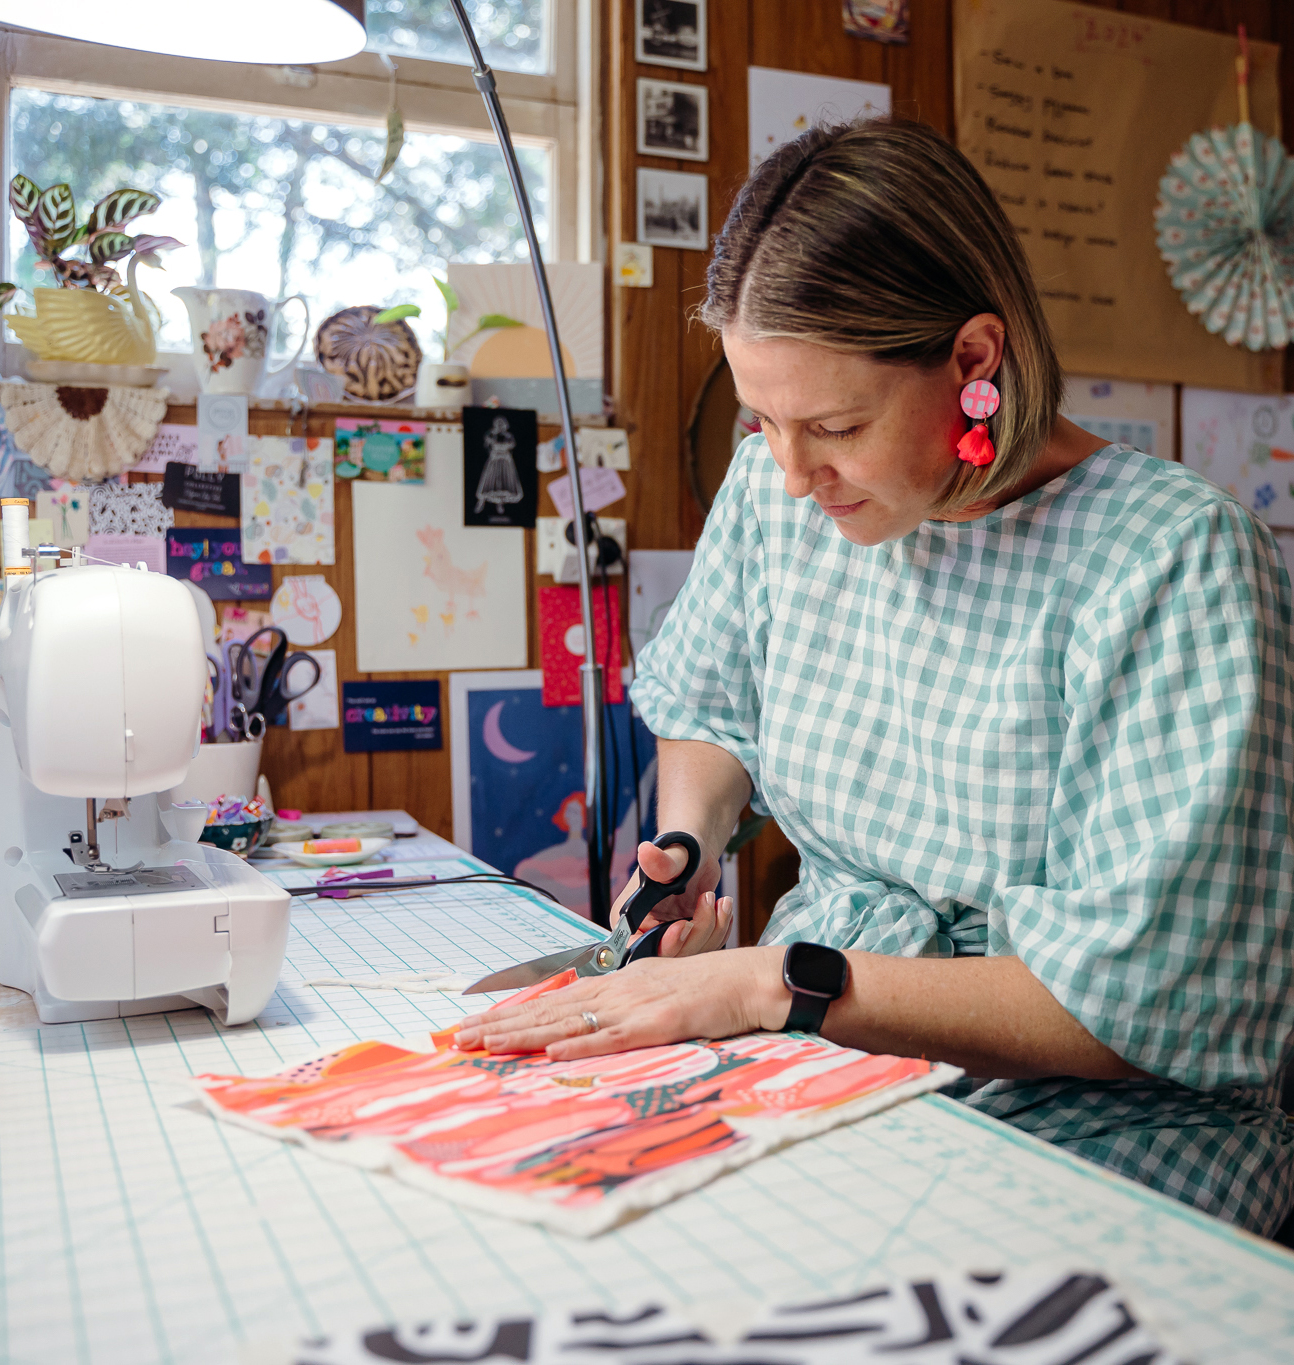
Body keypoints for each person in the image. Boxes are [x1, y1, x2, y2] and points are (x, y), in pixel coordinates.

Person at [456, 119, 1294, 1236]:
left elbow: (1133, 1003)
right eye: (763, 420)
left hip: (1106, 1110)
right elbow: (711, 705)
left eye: (835, 425)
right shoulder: (777, 495)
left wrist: (768, 983)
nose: (792, 475)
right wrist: (688, 844)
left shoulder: (1170, 559)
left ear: (975, 361)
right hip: (834, 1036)